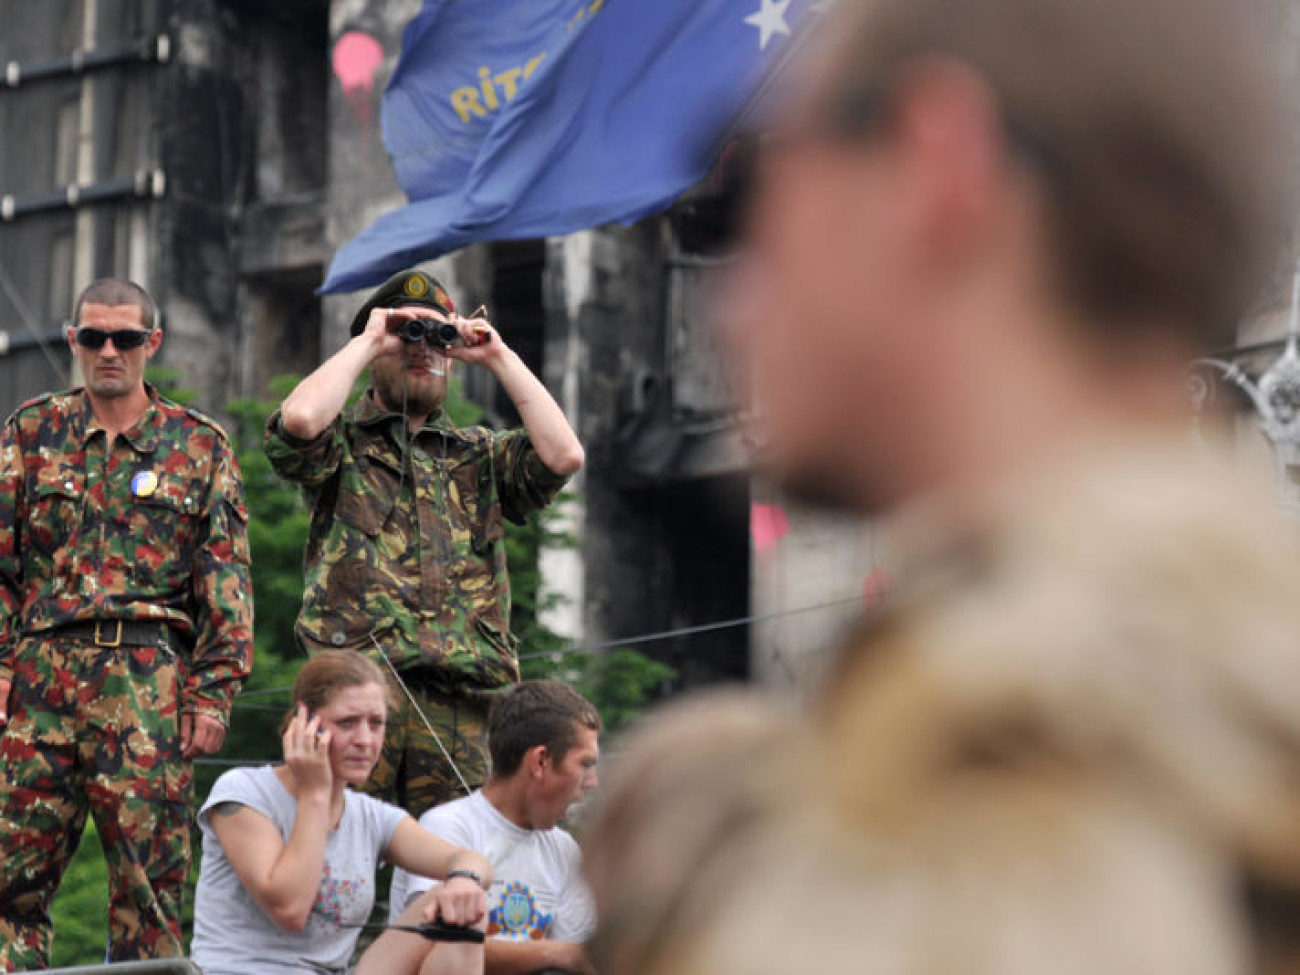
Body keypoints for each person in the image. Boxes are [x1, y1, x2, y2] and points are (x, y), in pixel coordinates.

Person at [581, 0, 1300, 973]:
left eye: (751, 197)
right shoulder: (1182, 675)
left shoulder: (1027, 747)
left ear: (934, 163)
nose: (731, 294)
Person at [0, 278, 253, 968]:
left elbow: (225, 583)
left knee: (149, 887)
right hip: (39, 675)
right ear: (72, 339)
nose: (108, 351)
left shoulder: (198, 445)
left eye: (126, 338)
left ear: (153, 343)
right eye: (93, 337)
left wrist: (214, 690)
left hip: (146, 676)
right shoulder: (30, 431)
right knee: (8, 876)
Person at [266, 269, 584, 818]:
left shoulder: (478, 454)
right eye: (409, 336)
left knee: (458, 870)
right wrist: (369, 339)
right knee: (338, 852)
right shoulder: (342, 444)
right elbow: (298, 420)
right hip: (357, 691)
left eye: (437, 340)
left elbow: (564, 457)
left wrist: (496, 356)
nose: (423, 352)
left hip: (465, 700)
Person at [192, 650, 494, 975]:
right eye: (347, 723)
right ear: (304, 723)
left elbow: (471, 861)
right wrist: (316, 794)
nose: (365, 740)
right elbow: (290, 909)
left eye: (375, 724)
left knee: (465, 907)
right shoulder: (243, 793)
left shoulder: (372, 816)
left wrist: (465, 880)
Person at [390, 680, 601, 975]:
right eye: (585, 764)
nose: (592, 783)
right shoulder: (448, 828)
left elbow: (580, 960)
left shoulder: (564, 850)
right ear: (540, 761)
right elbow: (435, 945)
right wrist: (557, 953)